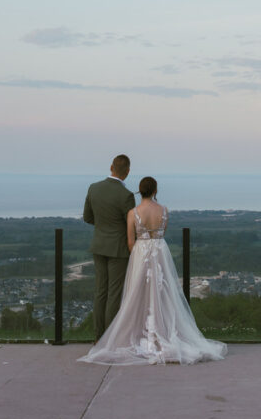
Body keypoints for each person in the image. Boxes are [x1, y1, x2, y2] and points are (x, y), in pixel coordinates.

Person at [80, 176, 227, 365]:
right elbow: (161, 233)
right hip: (159, 253)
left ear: (140, 191)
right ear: (155, 190)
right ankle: (162, 332)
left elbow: (130, 241)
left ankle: (133, 334)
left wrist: (140, 257)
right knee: (163, 292)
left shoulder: (133, 213)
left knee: (136, 294)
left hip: (141, 253)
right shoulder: (164, 211)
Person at [83, 154, 136, 341]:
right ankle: (111, 339)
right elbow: (131, 225)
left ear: (111, 167)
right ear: (127, 172)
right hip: (118, 249)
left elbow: (88, 217)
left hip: (98, 246)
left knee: (100, 292)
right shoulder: (126, 195)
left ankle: (99, 337)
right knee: (115, 293)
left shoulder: (94, 188)